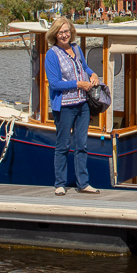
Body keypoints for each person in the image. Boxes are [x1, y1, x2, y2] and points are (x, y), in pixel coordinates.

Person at [44, 16, 101, 196]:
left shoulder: (76, 48)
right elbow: (54, 84)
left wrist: (93, 75)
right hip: (65, 106)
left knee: (81, 145)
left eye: (67, 31)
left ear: (71, 32)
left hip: (82, 104)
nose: (64, 35)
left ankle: (83, 183)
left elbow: (84, 67)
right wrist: (78, 84)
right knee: (63, 145)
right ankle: (59, 184)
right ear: (55, 34)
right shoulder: (52, 54)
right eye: (60, 32)